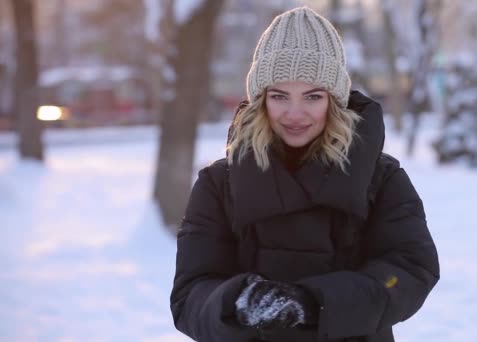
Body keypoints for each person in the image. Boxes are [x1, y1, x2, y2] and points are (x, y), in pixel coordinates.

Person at [170, 6, 439, 342]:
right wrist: (237, 300)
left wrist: (315, 304)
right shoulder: (218, 184)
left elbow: (408, 272)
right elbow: (190, 293)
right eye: (279, 96)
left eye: (312, 96)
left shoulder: (382, 178)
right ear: (260, 100)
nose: (294, 114)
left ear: (334, 99)